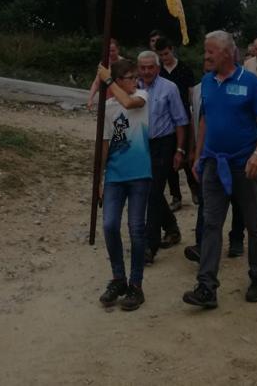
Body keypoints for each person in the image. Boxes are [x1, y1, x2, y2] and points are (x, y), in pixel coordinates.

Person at [182, 31, 257, 311]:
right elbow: (205, 119)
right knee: (211, 224)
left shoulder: (249, 82)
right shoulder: (207, 83)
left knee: (253, 223)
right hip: (212, 163)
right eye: (205, 51)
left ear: (227, 53)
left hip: (244, 164)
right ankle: (206, 287)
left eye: (210, 51)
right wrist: (198, 156)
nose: (206, 56)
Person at [97, 59, 151, 310]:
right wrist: (99, 178)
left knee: (136, 227)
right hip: (115, 176)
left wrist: (107, 80)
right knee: (109, 225)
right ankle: (118, 277)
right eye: (129, 77)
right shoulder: (107, 107)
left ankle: (136, 284)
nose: (135, 81)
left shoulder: (141, 96)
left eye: (135, 76)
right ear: (118, 81)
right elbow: (106, 144)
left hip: (139, 174)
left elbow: (129, 103)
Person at [185, 49, 245, 263]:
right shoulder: (200, 88)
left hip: (236, 155)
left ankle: (237, 239)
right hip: (209, 153)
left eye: (212, 60)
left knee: (238, 200)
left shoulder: (243, 84)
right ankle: (202, 245)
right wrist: (195, 151)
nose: (208, 63)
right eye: (206, 60)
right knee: (206, 202)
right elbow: (198, 121)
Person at [136, 50, 188, 261]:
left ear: (157, 68)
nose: (147, 71)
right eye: (143, 67)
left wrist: (180, 150)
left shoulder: (169, 88)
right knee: (149, 190)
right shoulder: (133, 87)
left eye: (151, 67)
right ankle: (172, 228)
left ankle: (150, 245)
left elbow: (180, 120)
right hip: (140, 144)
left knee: (153, 193)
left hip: (164, 144)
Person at [154, 36, 198, 210]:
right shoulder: (158, 71)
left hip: (183, 116)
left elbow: (191, 92)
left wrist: (191, 113)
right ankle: (176, 196)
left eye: (166, 53)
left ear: (171, 50)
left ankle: (195, 189)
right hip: (165, 118)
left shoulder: (184, 68)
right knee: (169, 159)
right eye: (161, 55)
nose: (164, 57)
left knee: (187, 155)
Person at [87, 39, 122, 109]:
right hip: (105, 100)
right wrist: (90, 99)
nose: (111, 53)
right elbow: (97, 82)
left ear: (118, 49)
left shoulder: (123, 63)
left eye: (113, 51)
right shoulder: (103, 63)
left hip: (119, 102)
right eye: (109, 51)